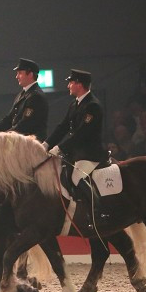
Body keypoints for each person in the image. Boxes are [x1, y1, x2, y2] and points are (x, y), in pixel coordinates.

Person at [45, 69, 104, 203]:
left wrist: (60, 147)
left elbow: (82, 134)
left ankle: (98, 210)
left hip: (90, 154)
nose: (68, 86)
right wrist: (46, 144)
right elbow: (62, 127)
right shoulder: (74, 104)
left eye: (70, 82)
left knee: (77, 178)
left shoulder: (92, 105)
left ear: (79, 84)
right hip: (76, 154)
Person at [0, 59, 48, 141]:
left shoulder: (36, 96)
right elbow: (8, 120)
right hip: (20, 142)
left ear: (30, 74)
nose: (16, 77)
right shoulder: (22, 94)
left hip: (31, 146)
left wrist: (2, 137)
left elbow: (25, 125)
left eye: (20, 73)